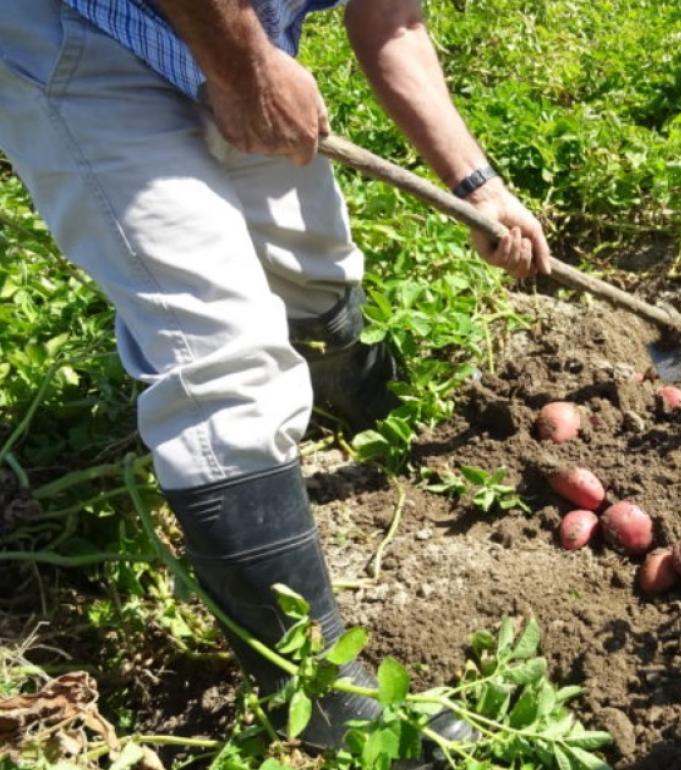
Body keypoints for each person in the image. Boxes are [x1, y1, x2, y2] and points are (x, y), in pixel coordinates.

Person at [0, 0, 551, 750]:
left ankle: (352, 403)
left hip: (240, 31)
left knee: (314, 274)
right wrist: (248, 69)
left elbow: (390, 20)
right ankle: (314, 689)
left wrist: (477, 186)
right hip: (81, 35)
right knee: (224, 357)